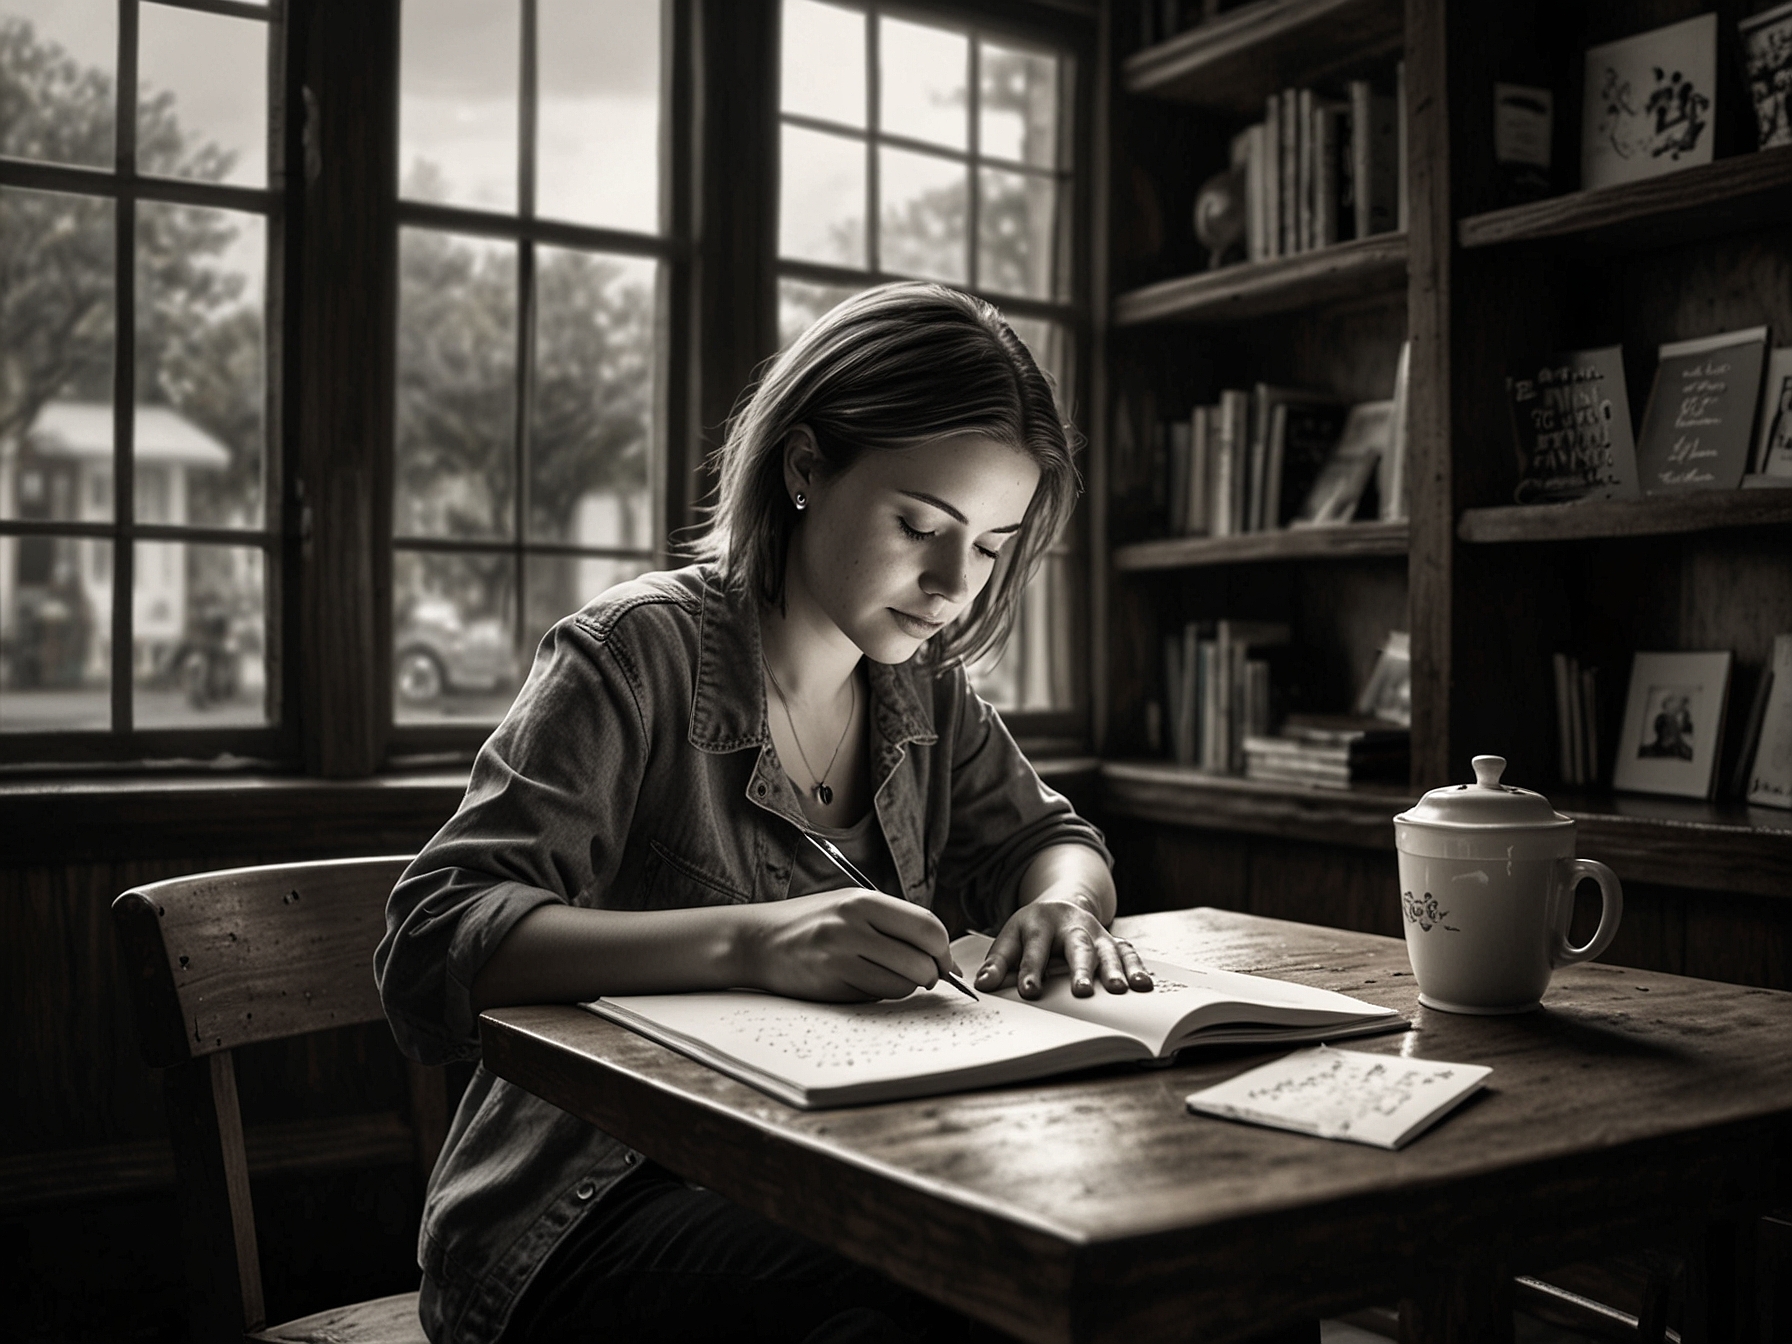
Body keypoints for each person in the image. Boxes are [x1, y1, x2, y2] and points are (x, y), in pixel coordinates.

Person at [376, 281, 1151, 1344]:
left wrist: (1066, 906)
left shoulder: (924, 691)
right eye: (918, 524)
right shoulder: (630, 655)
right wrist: (753, 940)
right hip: (573, 1215)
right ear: (802, 467)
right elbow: (430, 942)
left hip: (831, 1165)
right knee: (936, 1299)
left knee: (1167, 1279)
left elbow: (1048, 839)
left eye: (987, 545)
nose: (948, 583)